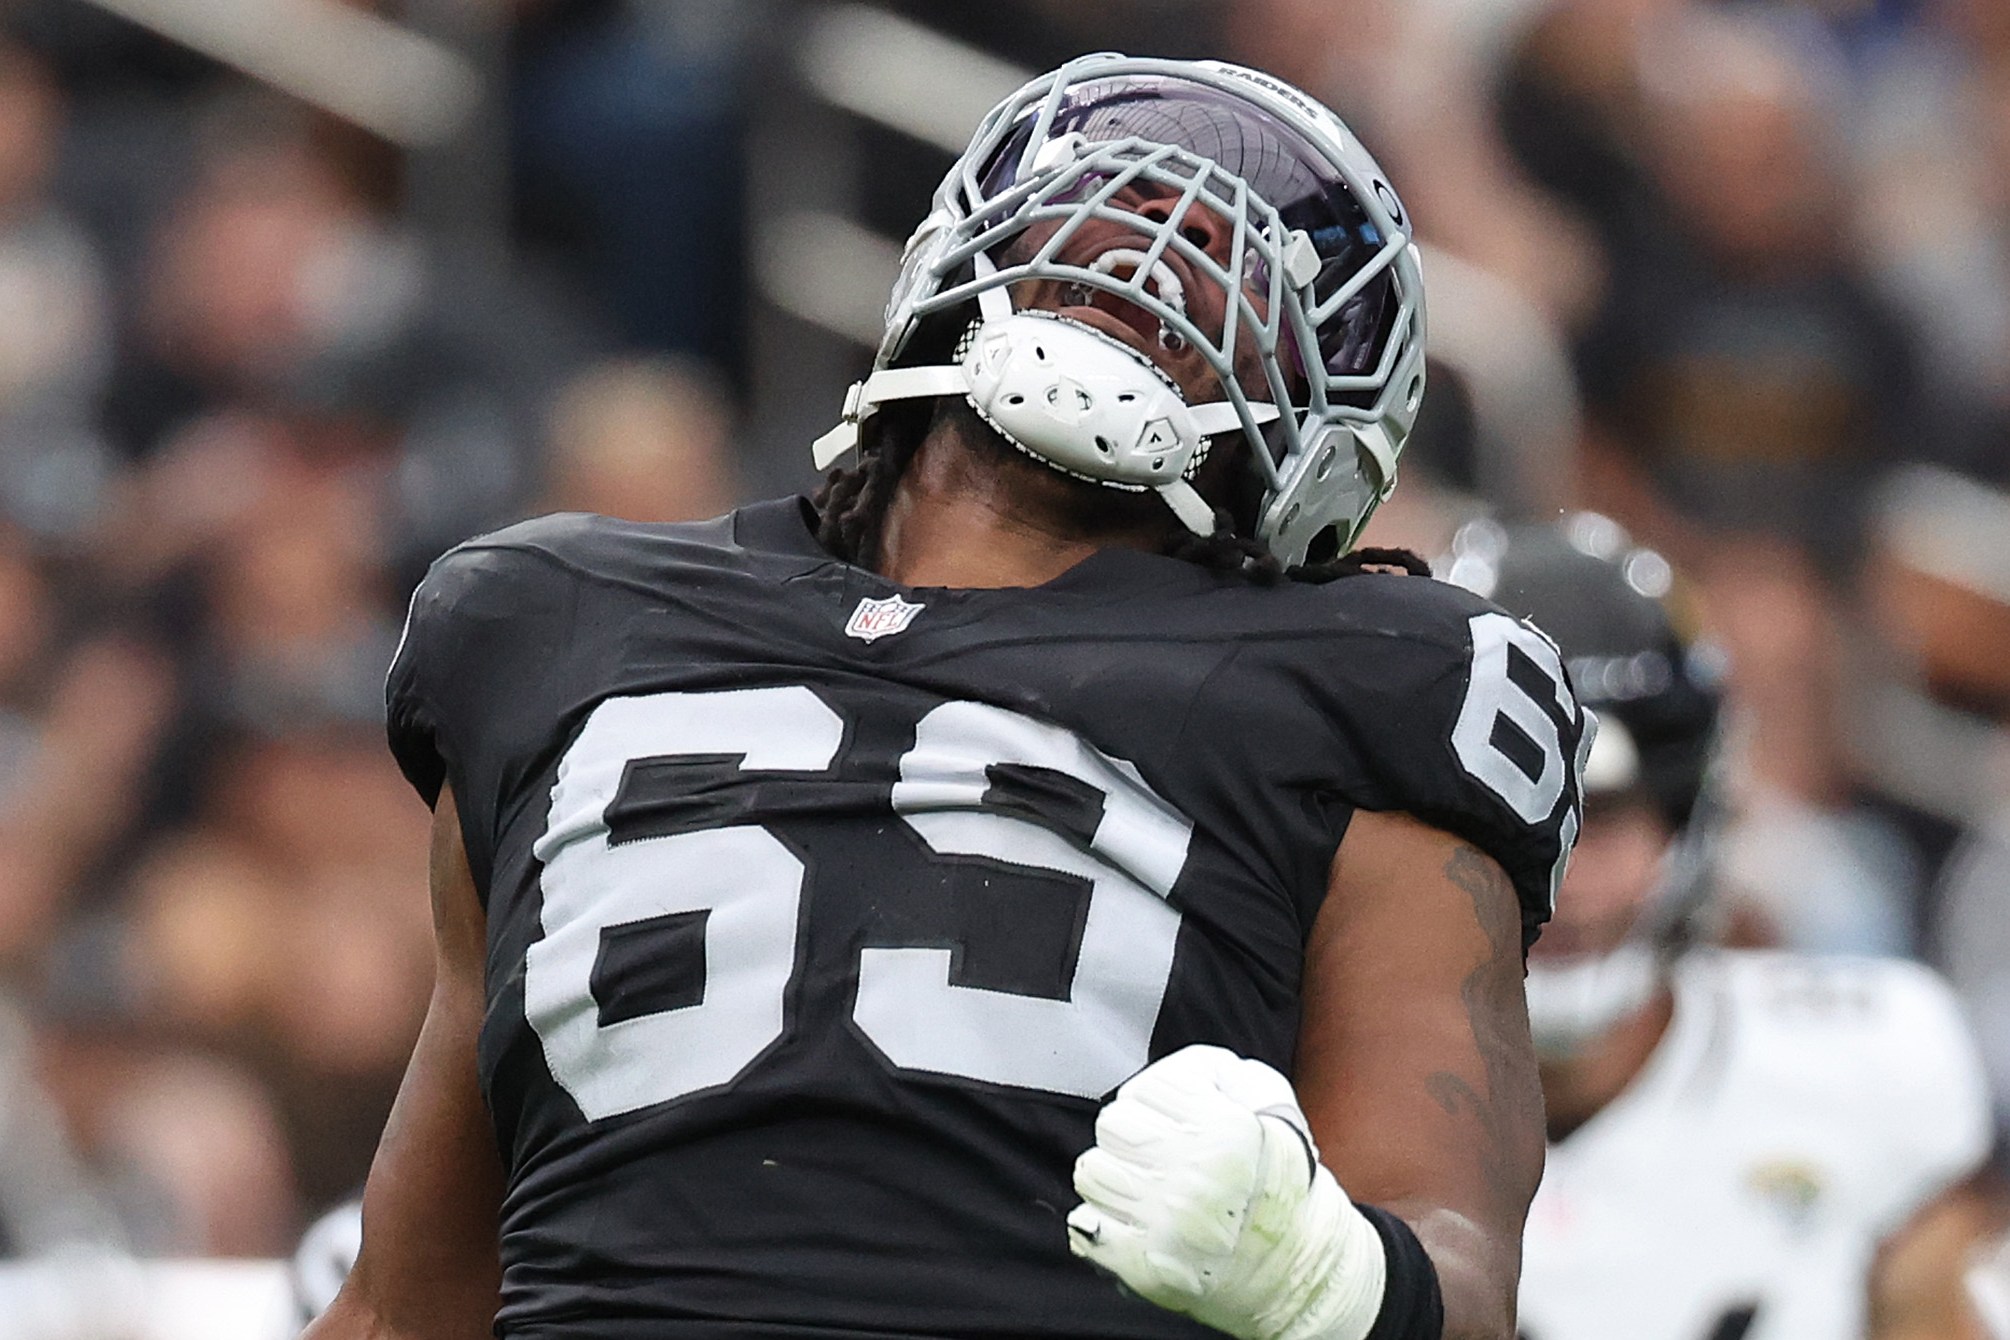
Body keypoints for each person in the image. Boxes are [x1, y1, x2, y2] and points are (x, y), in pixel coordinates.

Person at [306, 54, 1591, 1340]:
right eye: (1124, 197)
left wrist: (1321, 1273)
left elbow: (1458, 1253)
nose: (1169, 243)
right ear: (961, 245)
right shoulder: (560, 617)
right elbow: (407, 1301)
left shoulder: (1368, 681)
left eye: (1238, 255)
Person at [1442, 515, 1995, 1340]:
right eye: (1511, 816)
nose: (1561, 875)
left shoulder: (1871, 1070)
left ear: (1689, 818)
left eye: (1606, 815)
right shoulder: (1296, 1084)